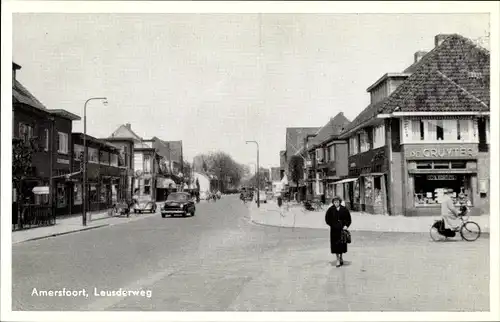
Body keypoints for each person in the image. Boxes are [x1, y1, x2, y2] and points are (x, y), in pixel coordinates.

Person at [325, 196, 352, 267]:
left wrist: (346, 225)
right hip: (334, 231)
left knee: (342, 245)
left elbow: (349, 219)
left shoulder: (344, 209)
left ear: (340, 202)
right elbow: (327, 219)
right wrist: (332, 225)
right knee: (335, 245)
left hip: (342, 230)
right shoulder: (330, 210)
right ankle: (337, 259)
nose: (336, 203)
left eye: (337, 202)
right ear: (333, 202)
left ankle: (341, 257)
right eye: (335, 202)